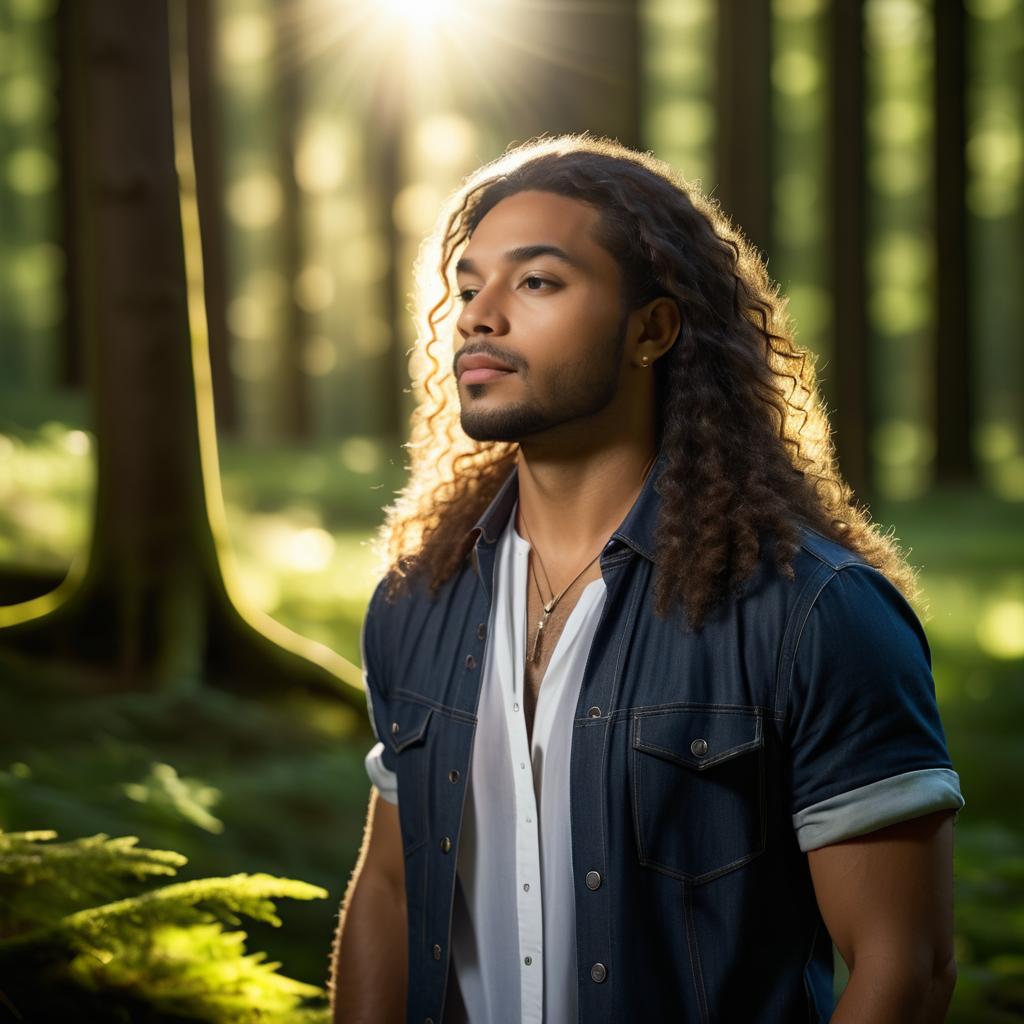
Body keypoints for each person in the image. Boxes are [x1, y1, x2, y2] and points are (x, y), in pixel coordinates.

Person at [329, 134, 965, 1024]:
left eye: (537, 282)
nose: (479, 315)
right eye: (470, 287)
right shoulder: (419, 598)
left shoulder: (816, 612)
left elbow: (904, 965)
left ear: (652, 329)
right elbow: (392, 892)